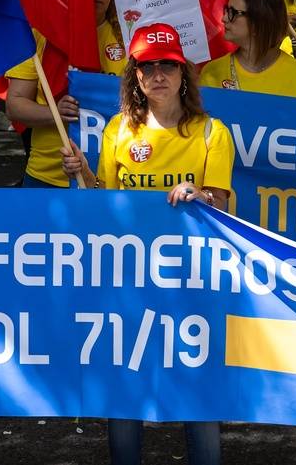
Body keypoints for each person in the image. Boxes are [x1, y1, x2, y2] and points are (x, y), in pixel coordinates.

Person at [61, 23, 229, 465]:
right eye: (148, 66)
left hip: (191, 281)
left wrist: (202, 196)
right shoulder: (118, 130)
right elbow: (105, 205)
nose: (159, 75)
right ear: (135, 75)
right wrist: (80, 172)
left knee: (198, 389)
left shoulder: (213, 132)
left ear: (183, 73)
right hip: (129, 278)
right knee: (125, 383)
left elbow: (226, 209)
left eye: (168, 65)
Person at [6, 0, 130, 186]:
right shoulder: (39, 34)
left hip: (109, 177)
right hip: (47, 175)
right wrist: (56, 114)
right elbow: (15, 105)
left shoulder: (129, 37)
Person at [200, 0, 296, 99]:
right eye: (226, 10)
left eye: (233, 12)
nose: (224, 18)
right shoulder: (212, 73)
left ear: (259, 21)